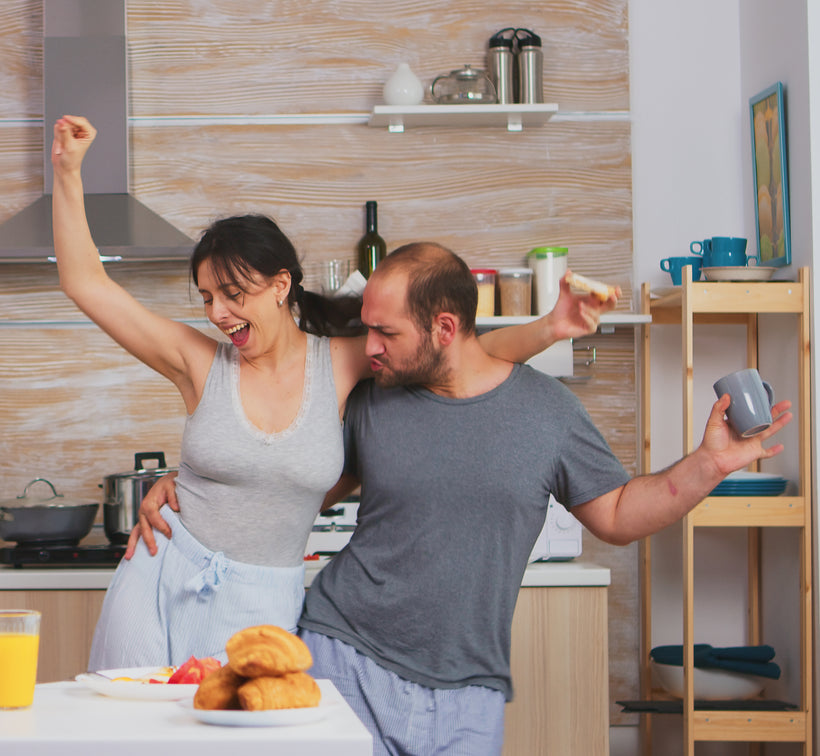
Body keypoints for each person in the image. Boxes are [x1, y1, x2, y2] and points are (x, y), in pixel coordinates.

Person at [47, 115, 616, 671]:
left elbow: (459, 354)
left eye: (233, 294)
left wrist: (550, 327)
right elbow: (85, 283)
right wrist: (68, 173)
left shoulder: (341, 362)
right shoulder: (199, 364)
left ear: (280, 286)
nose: (218, 313)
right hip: (160, 574)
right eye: (205, 298)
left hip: (265, 601)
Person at [288, 242, 787, 755]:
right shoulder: (376, 397)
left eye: (385, 332)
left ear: (443, 328)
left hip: (469, 691)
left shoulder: (547, 412)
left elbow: (617, 514)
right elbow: (302, 497)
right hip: (341, 657)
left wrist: (709, 463)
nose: (368, 347)